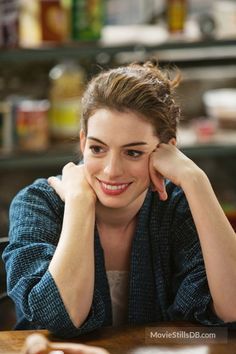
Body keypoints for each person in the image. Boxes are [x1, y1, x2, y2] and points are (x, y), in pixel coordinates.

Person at [3, 60, 236, 338]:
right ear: (82, 143)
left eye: (133, 152)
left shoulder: (176, 206)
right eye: (98, 148)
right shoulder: (38, 204)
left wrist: (195, 180)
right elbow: (59, 319)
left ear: (167, 152)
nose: (111, 171)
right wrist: (79, 203)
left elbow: (231, 309)